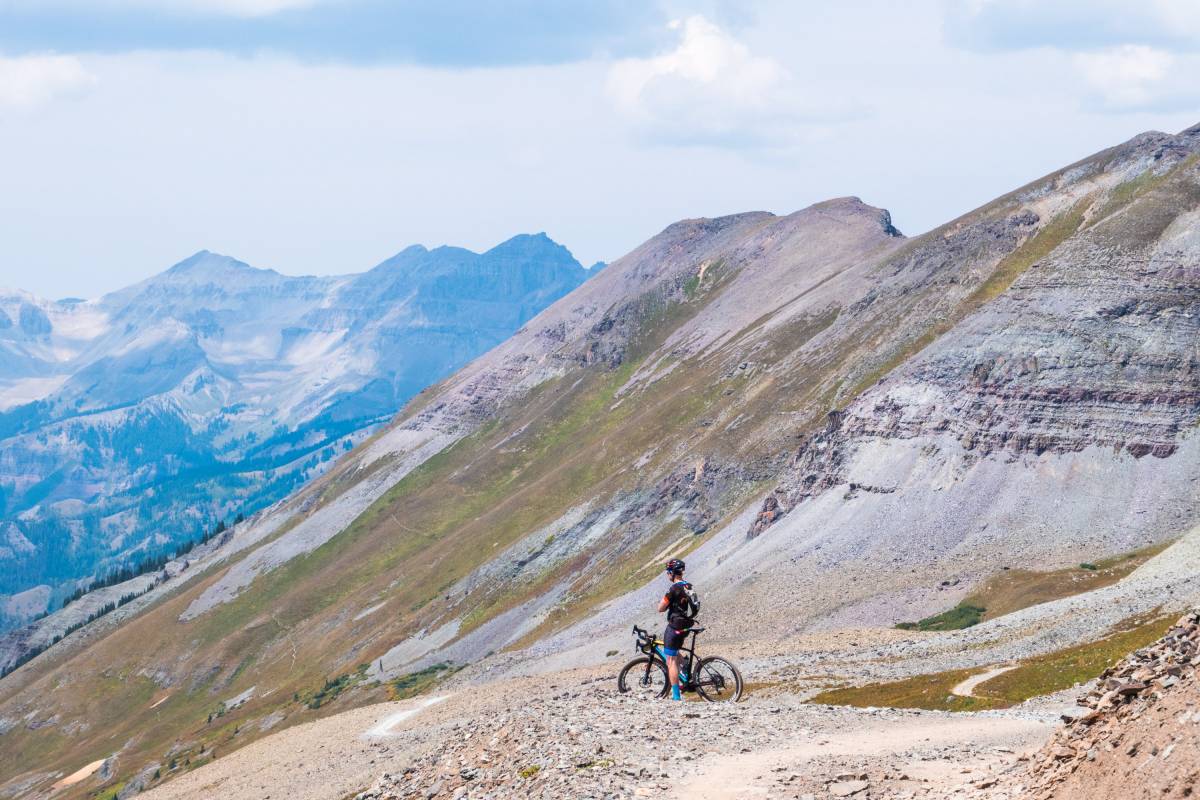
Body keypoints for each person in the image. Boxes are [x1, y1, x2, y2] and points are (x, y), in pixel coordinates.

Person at [657, 558, 697, 701]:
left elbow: (660, 608)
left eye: (668, 572)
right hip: (686, 625)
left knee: (670, 661)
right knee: (674, 651)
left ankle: (675, 696)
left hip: (675, 626)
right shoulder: (688, 585)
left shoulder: (674, 588)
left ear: (672, 573)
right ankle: (684, 662)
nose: (668, 575)